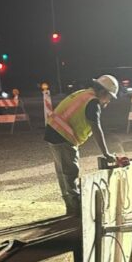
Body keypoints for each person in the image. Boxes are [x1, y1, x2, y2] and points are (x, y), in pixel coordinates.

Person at [44, 74, 120, 215]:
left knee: (63, 172)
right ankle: (75, 211)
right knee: (70, 172)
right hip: (61, 135)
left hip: (54, 130)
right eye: (109, 98)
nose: (108, 102)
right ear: (103, 92)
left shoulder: (83, 94)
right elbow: (96, 129)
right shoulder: (93, 102)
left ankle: (71, 208)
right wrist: (106, 153)